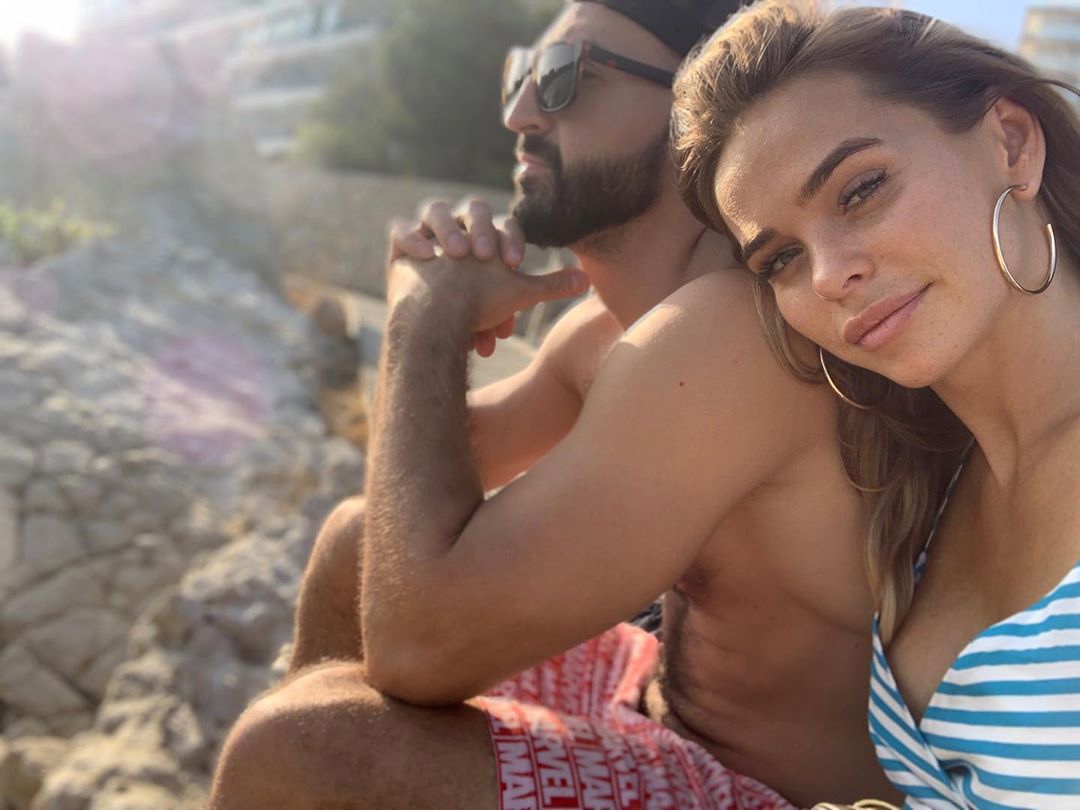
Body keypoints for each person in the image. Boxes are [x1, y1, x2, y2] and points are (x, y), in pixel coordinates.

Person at [207, 2, 899, 807]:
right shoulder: (605, 332)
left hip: (764, 791)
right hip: (648, 698)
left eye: (565, 78)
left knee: (295, 752)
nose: (519, 113)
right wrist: (426, 315)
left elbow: (416, 646)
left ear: (699, 112)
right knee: (353, 543)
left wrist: (423, 323)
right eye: (519, 75)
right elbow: (409, 499)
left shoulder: (738, 333)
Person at [671, 2, 1080, 807]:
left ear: (1011, 143)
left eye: (861, 190)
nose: (827, 276)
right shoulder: (921, 488)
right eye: (781, 259)